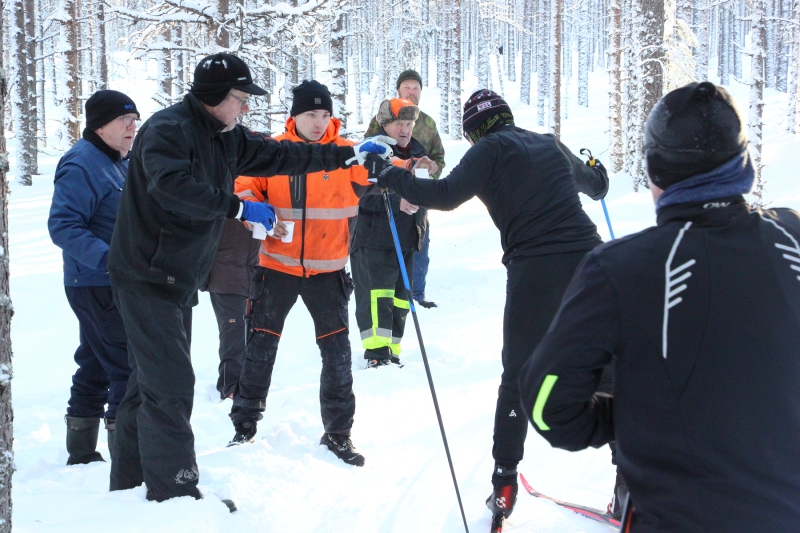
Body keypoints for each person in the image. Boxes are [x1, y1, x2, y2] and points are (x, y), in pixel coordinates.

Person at [106, 53, 391, 503]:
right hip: (145, 272)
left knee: (148, 383)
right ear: (216, 97)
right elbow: (170, 185)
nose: (245, 108)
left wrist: (347, 154)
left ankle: (128, 485)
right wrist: (238, 207)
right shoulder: (167, 130)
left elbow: (282, 154)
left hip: (175, 276)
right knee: (170, 384)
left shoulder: (226, 135)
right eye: (240, 99)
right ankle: (173, 494)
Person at [518, 81, 800, 532]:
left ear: (656, 171)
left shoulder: (620, 268)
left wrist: (628, 414)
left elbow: (547, 403)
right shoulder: (792, 235)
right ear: (743, 161)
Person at [364, 89, 608, 524]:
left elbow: (443, 195)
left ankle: (504, 481)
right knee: (613, 364)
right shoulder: (548, 141)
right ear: (508, 116)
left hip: (535, 270)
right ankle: (633, 475)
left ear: (473, 134)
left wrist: (386, 175)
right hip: (592, 260)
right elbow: (596, 185)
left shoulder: (488, 151)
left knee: (516, 377)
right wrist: (594, 170)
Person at [228, 80, 380, 466]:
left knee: (337, 356)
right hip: (276, 267)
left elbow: (380, 174)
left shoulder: (346, 154)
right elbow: (244, 188)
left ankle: (338, 434)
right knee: (260, 349)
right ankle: (244, 427)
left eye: (324, 114)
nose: (317, 121)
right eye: (310, 114)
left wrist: (385, 165)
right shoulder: (273, 151)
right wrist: (256, 213)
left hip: (328, 271)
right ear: (293, 116)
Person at [48, 90, 138, 465]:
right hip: (96, 282)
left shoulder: (120, 160)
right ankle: (127, 463)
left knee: (96, 361)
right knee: (125, 365)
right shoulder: (82, 164)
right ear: (100, 125)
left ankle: (82, 453)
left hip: (112, 281)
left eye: (135, 119)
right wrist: (110, 261)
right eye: (124, 120)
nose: (133, 126)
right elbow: (63, 225)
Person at [353, 98, 437, 368]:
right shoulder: (368, 152)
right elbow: (358, 197)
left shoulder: (419, 154)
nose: (405, 130)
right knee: (378, 298)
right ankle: (377, 355)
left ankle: (393, 350)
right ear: (384, 124)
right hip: (374, 238)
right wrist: (395, 203)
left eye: (410, 124)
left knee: (401, 299)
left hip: (408, 237)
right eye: (399, 124)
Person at [365, 69, 445, 308]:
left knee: (420, 244)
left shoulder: (428, 123)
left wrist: (430, 174)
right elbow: (368, 155)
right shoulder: (381, 118)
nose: (412, 91)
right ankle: (390, 298)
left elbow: (438, 157)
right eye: (407, 87)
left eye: (416, 87)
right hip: (387, 197)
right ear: (399, 90)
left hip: (417, 196)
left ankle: (416, 297)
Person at [204, 218, 260, 400]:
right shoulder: (224, 194)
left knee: (252, 333)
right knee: (233, 334)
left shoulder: (258, 195)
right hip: (225, 276)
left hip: (251, 274)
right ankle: (230, 387)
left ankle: (247, 383)